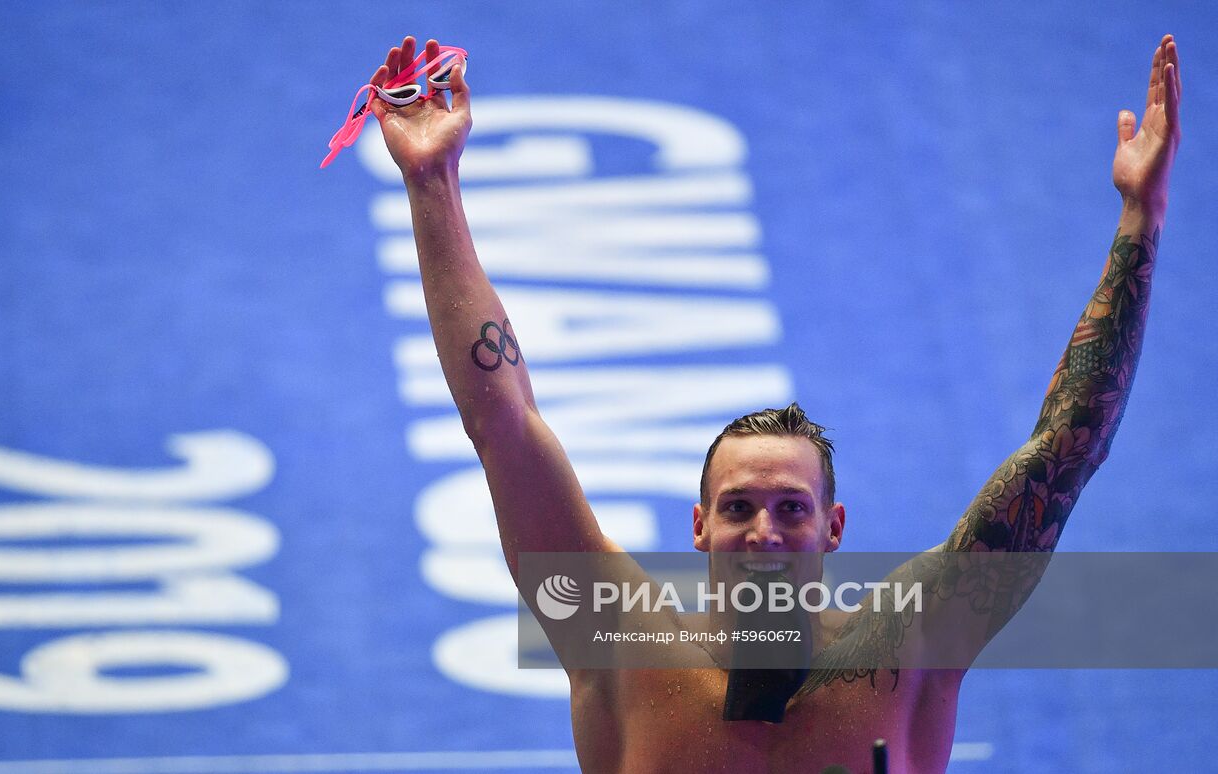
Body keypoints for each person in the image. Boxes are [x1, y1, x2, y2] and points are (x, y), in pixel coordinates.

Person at [365, 34, 1181, 773]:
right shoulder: (620, 644)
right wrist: (432, 180)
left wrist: (1141, 218)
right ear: (698, 527)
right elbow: (501, 422)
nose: (764, 530)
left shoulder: (912, 643)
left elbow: (1065, 449)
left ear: (833, 527)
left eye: (792, 507)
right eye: (739, 505)